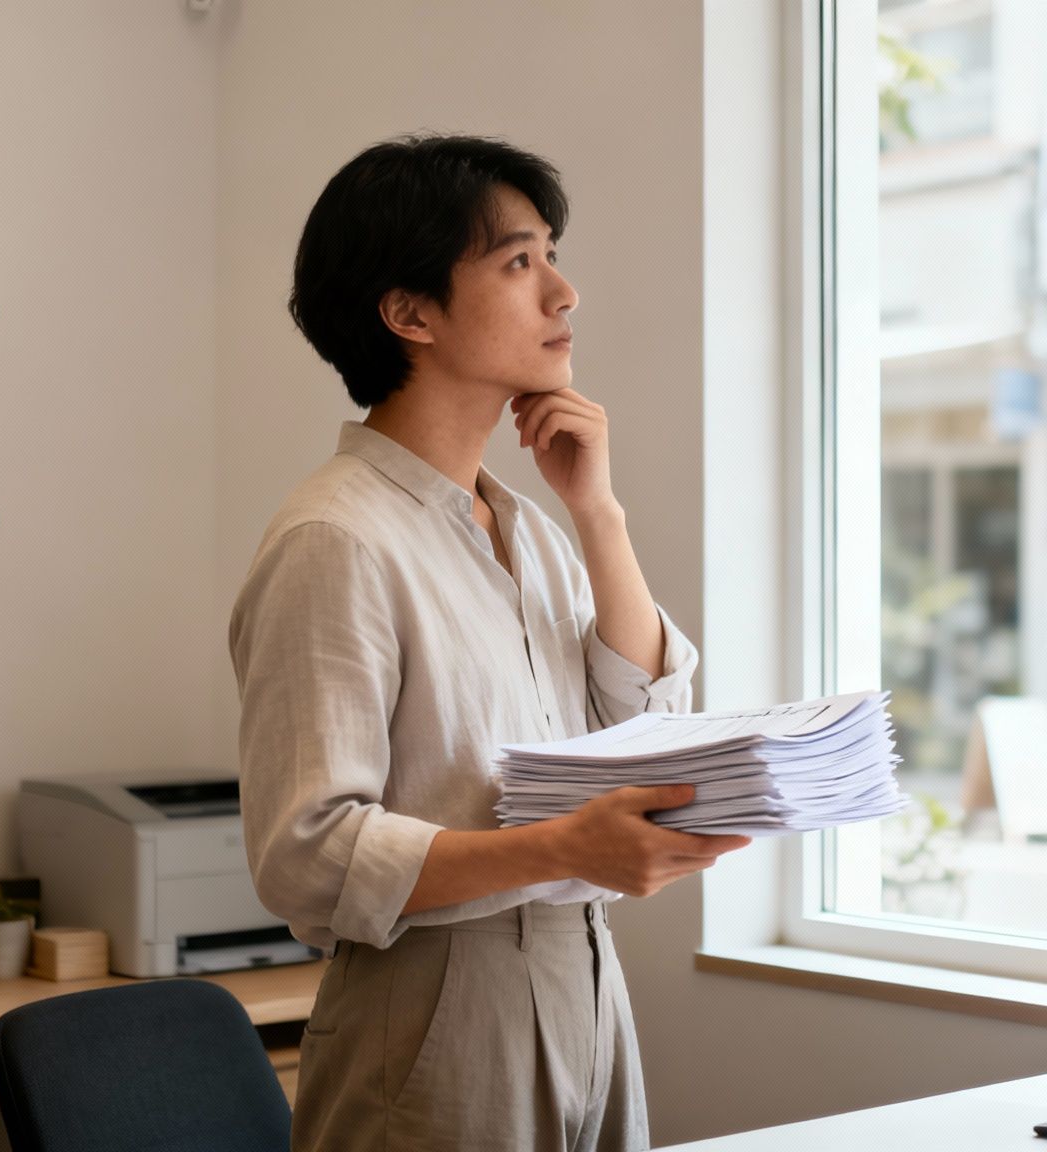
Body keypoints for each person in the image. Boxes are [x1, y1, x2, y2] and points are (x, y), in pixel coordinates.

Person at [228, 135, 750, 1152]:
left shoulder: (529, 529)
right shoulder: (335, 537)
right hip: (432, 1011)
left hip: (583, 979)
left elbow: (646, 732)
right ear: (408, 312)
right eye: (519, 261)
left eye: (548, 254)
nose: (563, 292)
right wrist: (560, 848)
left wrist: (598, 515)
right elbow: (306, 856)